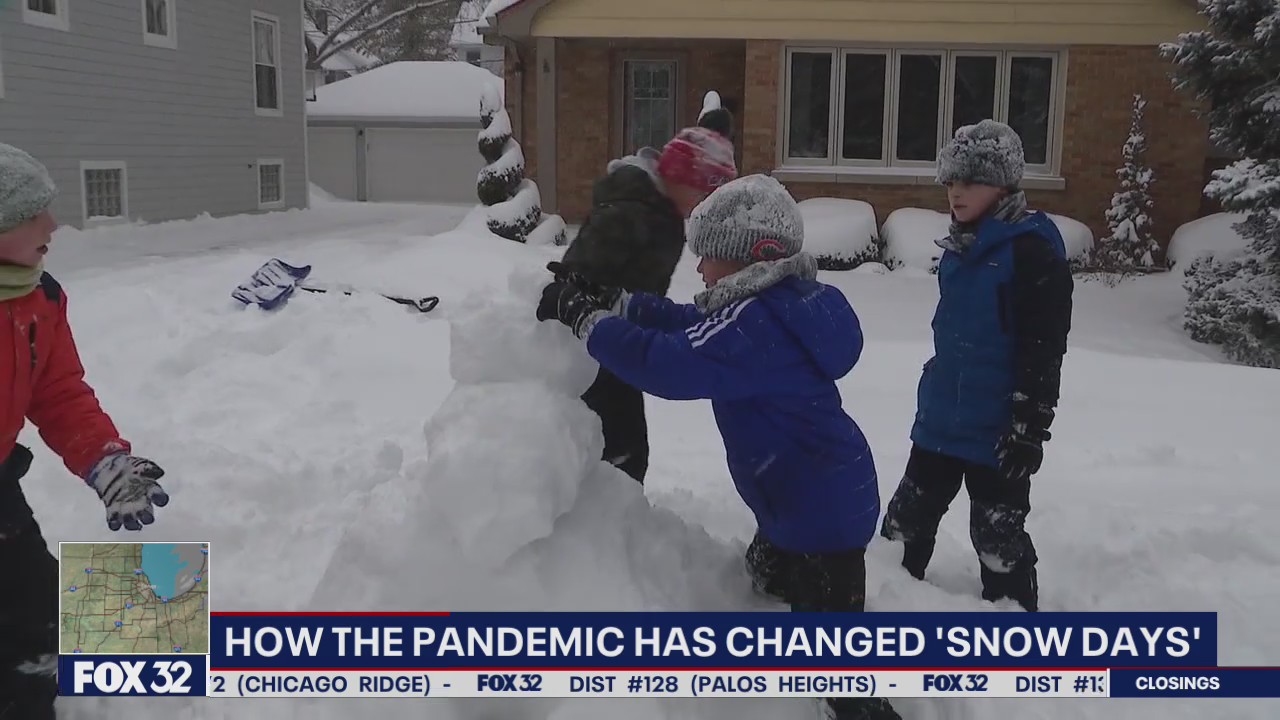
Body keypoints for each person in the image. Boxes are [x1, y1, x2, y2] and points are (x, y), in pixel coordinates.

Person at [538, 174, 900, 720]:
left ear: (747, 259)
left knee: (837, 658)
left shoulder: (754, 326)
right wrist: (621, 301)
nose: (699, 269)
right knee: (765, 579)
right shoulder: (776, 304)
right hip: (805, 489)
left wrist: (586, 319)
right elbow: (691, 322)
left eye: (707, 257)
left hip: (820, 510)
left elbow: (667, 364)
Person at [0, 143, 171, 720]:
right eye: (30, 214)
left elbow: (58, 391)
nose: (51, 225)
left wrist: (105, 461)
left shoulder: (39, 297)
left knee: (34, 614)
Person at [878, 120, 1074, 613]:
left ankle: (1014, 630)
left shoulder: (1032, 253)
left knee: (997, 540)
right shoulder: (960, 247)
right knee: (902, 530)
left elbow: (1043, 347)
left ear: (1004, 184)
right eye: (950, 181)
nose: (956, 192)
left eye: (970, 181)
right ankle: (885, 612)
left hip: (998, 428)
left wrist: (1029, 425)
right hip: (942, 418)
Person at [555, 116, 737, 484]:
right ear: (680, 178)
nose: (704, 204)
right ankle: (603, 518)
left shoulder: (660, 207)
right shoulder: (628, 211)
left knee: (626, 446)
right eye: (703, 193)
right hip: (594, 345)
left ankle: (616, 514)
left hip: (625, 335)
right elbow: (573, 277)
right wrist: (585, 308)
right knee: (618, 447)